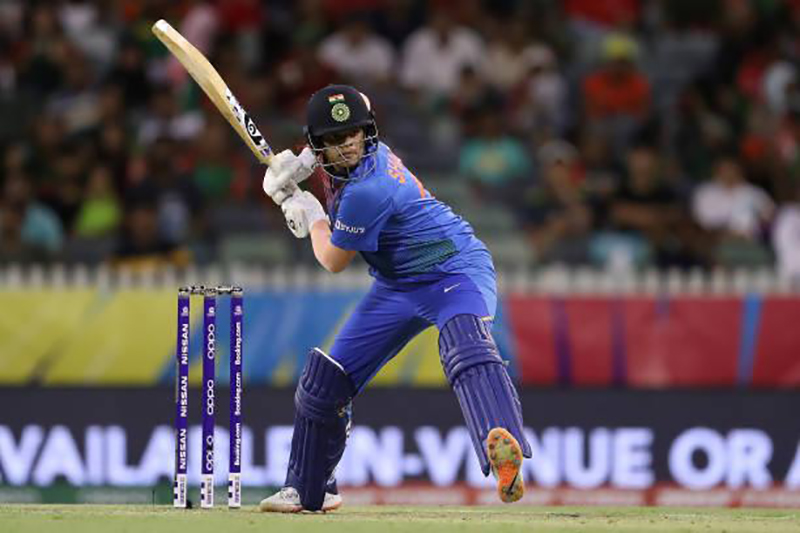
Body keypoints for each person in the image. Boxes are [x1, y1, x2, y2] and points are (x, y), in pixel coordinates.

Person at [259, 85, 531, 512]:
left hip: (453, 270)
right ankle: (309, 489)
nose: (346, 145)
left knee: (465, 346)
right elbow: (358, 102)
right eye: (332, 139)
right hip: (396, 285)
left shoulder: (369, 189)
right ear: (318, 142)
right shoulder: (344, 149)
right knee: (324, 383)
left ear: (365, 132)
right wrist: (303, 162)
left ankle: (503, 449)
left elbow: (333, 260)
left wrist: (308, 214)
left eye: (351, 134)